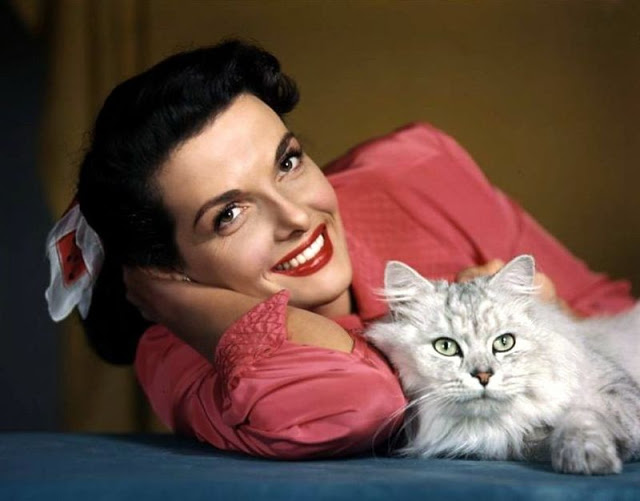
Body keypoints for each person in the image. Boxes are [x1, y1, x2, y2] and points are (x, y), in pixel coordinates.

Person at [46, 40, 636, 459]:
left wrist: (554, 325)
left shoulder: (415, 171)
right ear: (172, 271)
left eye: (288, 162)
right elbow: (352, 405)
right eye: (229, 215)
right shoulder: (179, 343)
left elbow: (614, 313)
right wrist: (164, 294)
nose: (298, 217)